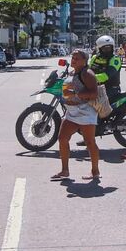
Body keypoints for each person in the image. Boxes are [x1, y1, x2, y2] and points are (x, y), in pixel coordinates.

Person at [51, 50, 101, 181]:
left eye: (77, 58)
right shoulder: (73, 72)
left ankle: (95, 171)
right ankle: (64, 170)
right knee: (62, 138)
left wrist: (75, 95)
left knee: (90, 143)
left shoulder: (87, 74)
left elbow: (94, 93)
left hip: (85, 112)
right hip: (72, 112)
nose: (73, 60)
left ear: (84, 61)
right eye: (73, 58)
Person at [89, 35, 123, 101]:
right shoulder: (95, 57)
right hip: (96, 87)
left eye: (109, 48)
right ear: (100, 48)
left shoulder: (115, 59)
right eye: (105, 48)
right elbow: (88, 70)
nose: (107, 50)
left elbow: (106, 75)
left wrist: (89, 79)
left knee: (98, 106)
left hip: (111, 89)